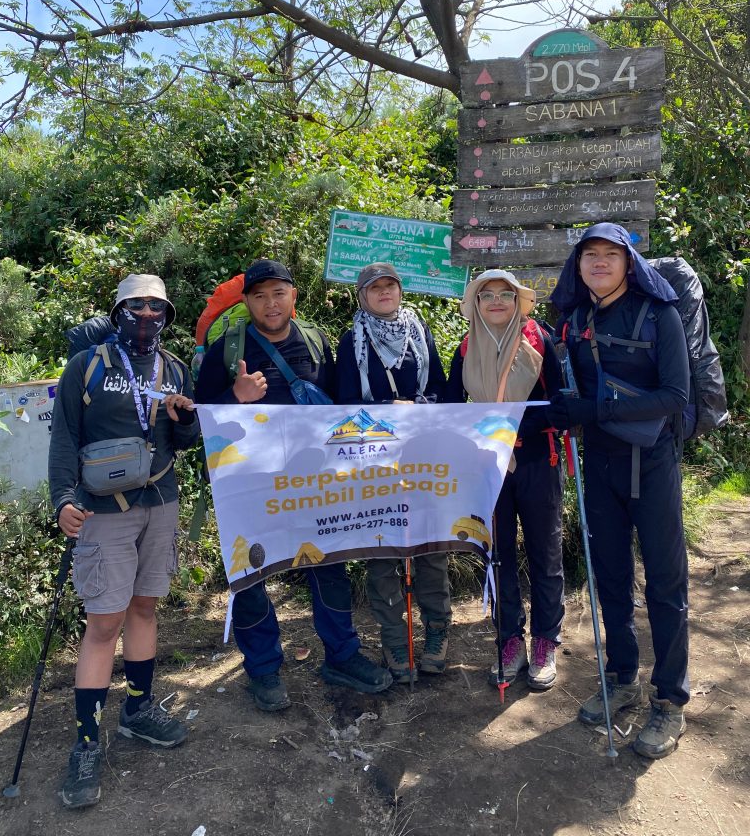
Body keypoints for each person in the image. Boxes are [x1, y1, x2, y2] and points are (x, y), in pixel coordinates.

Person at [195, 259, 392, 710]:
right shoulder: (228, 349)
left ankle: (342, 655)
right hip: (250, 485)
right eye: (260, 295)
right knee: (252, 574)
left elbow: (342, 411)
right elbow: (197, 425)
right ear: (246, 301)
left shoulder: (316, 342)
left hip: (314, 481)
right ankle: (263, 669)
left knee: (330, 565)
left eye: (278, 293)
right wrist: (234, 398)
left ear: (293, 296)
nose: (270, 303)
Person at [50, 274, 199, 809]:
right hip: (101, 511)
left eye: (157, 307)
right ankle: (87, 741)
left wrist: (185, 419)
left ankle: (138, 710)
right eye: (136, 305)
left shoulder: (175, 368)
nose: (146, 315)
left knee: (143, 608)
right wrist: (63, 500)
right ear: (118, 311)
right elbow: (65, 435)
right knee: (103, 622)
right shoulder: (87, 365)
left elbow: (182, 443)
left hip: (159, 503)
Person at [547, 222, 690, 759]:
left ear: (630, 262)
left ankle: (671, 700)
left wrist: (596, 411)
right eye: (590, 255)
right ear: (578, 266)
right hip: (600, 466)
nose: (599, 263)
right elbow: (571, 391)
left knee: (665, 584)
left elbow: (674, 395)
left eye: (611, 254)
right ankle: (623, 675)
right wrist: (568, 410)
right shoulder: (575, 320)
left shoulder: (661, 315)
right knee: (609, 577)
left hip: (651, 465)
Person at [447, 270, 564, 691]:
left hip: (536, 460)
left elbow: (561, 403)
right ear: (475, 305)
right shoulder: (465, 347)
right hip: (487, 464)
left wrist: (515, 426)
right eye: (487, 295)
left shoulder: (540, 341)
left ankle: (546, 641)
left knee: (544, 552)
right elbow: (450, 407)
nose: (496, 302)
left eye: (505, 295)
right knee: (498, 556)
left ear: (518, 302)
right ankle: (509, 638)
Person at [335, 262, 451, 683]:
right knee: (382, 550)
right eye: (375, 288)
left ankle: (438, 632)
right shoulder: (352, 342)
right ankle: (395, 641)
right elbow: (344, 405)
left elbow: (443, 390)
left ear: (400, 291)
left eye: (391, 286)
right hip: (373, 462)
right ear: (362, 295)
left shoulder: (419, 333)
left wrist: (417, 409)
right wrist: (385, 414)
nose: (385, 293)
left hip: (423, 457)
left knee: (432, 548)